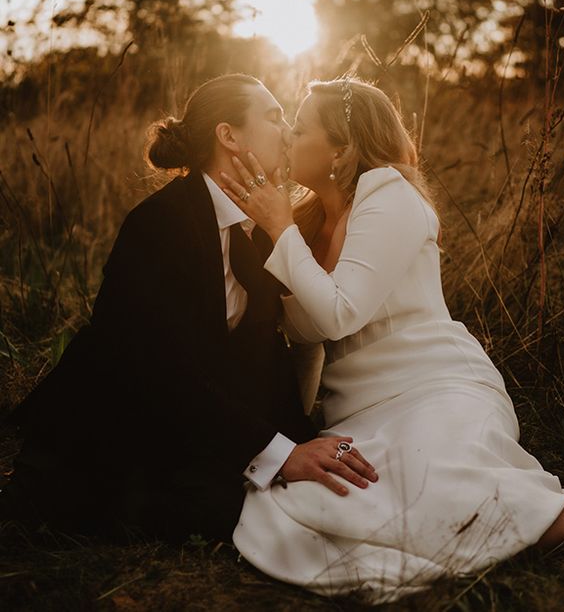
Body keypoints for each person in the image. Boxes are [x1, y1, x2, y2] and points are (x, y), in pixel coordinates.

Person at [221, 77, 564, 603]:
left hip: (436, 389)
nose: (289, 137)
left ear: (343, 147)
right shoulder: (311, 225)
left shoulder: (390, 199)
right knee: (306, 501)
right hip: (361, 416)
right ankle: (538, 512)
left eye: (302, 128)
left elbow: (340, 312)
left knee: (450, 495)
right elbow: (312, 334)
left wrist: (278, 228)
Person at [0, 74, 377, 541]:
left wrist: (304, 441)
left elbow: (264, 356)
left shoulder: (261, 228)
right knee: (218, 512)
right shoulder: (160, 225)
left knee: (291, 497)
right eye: (274, 116)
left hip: (188, 415)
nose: (287, 132)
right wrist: (279, 453)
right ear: (228, 135)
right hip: (112, 419)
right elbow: (155, 369)